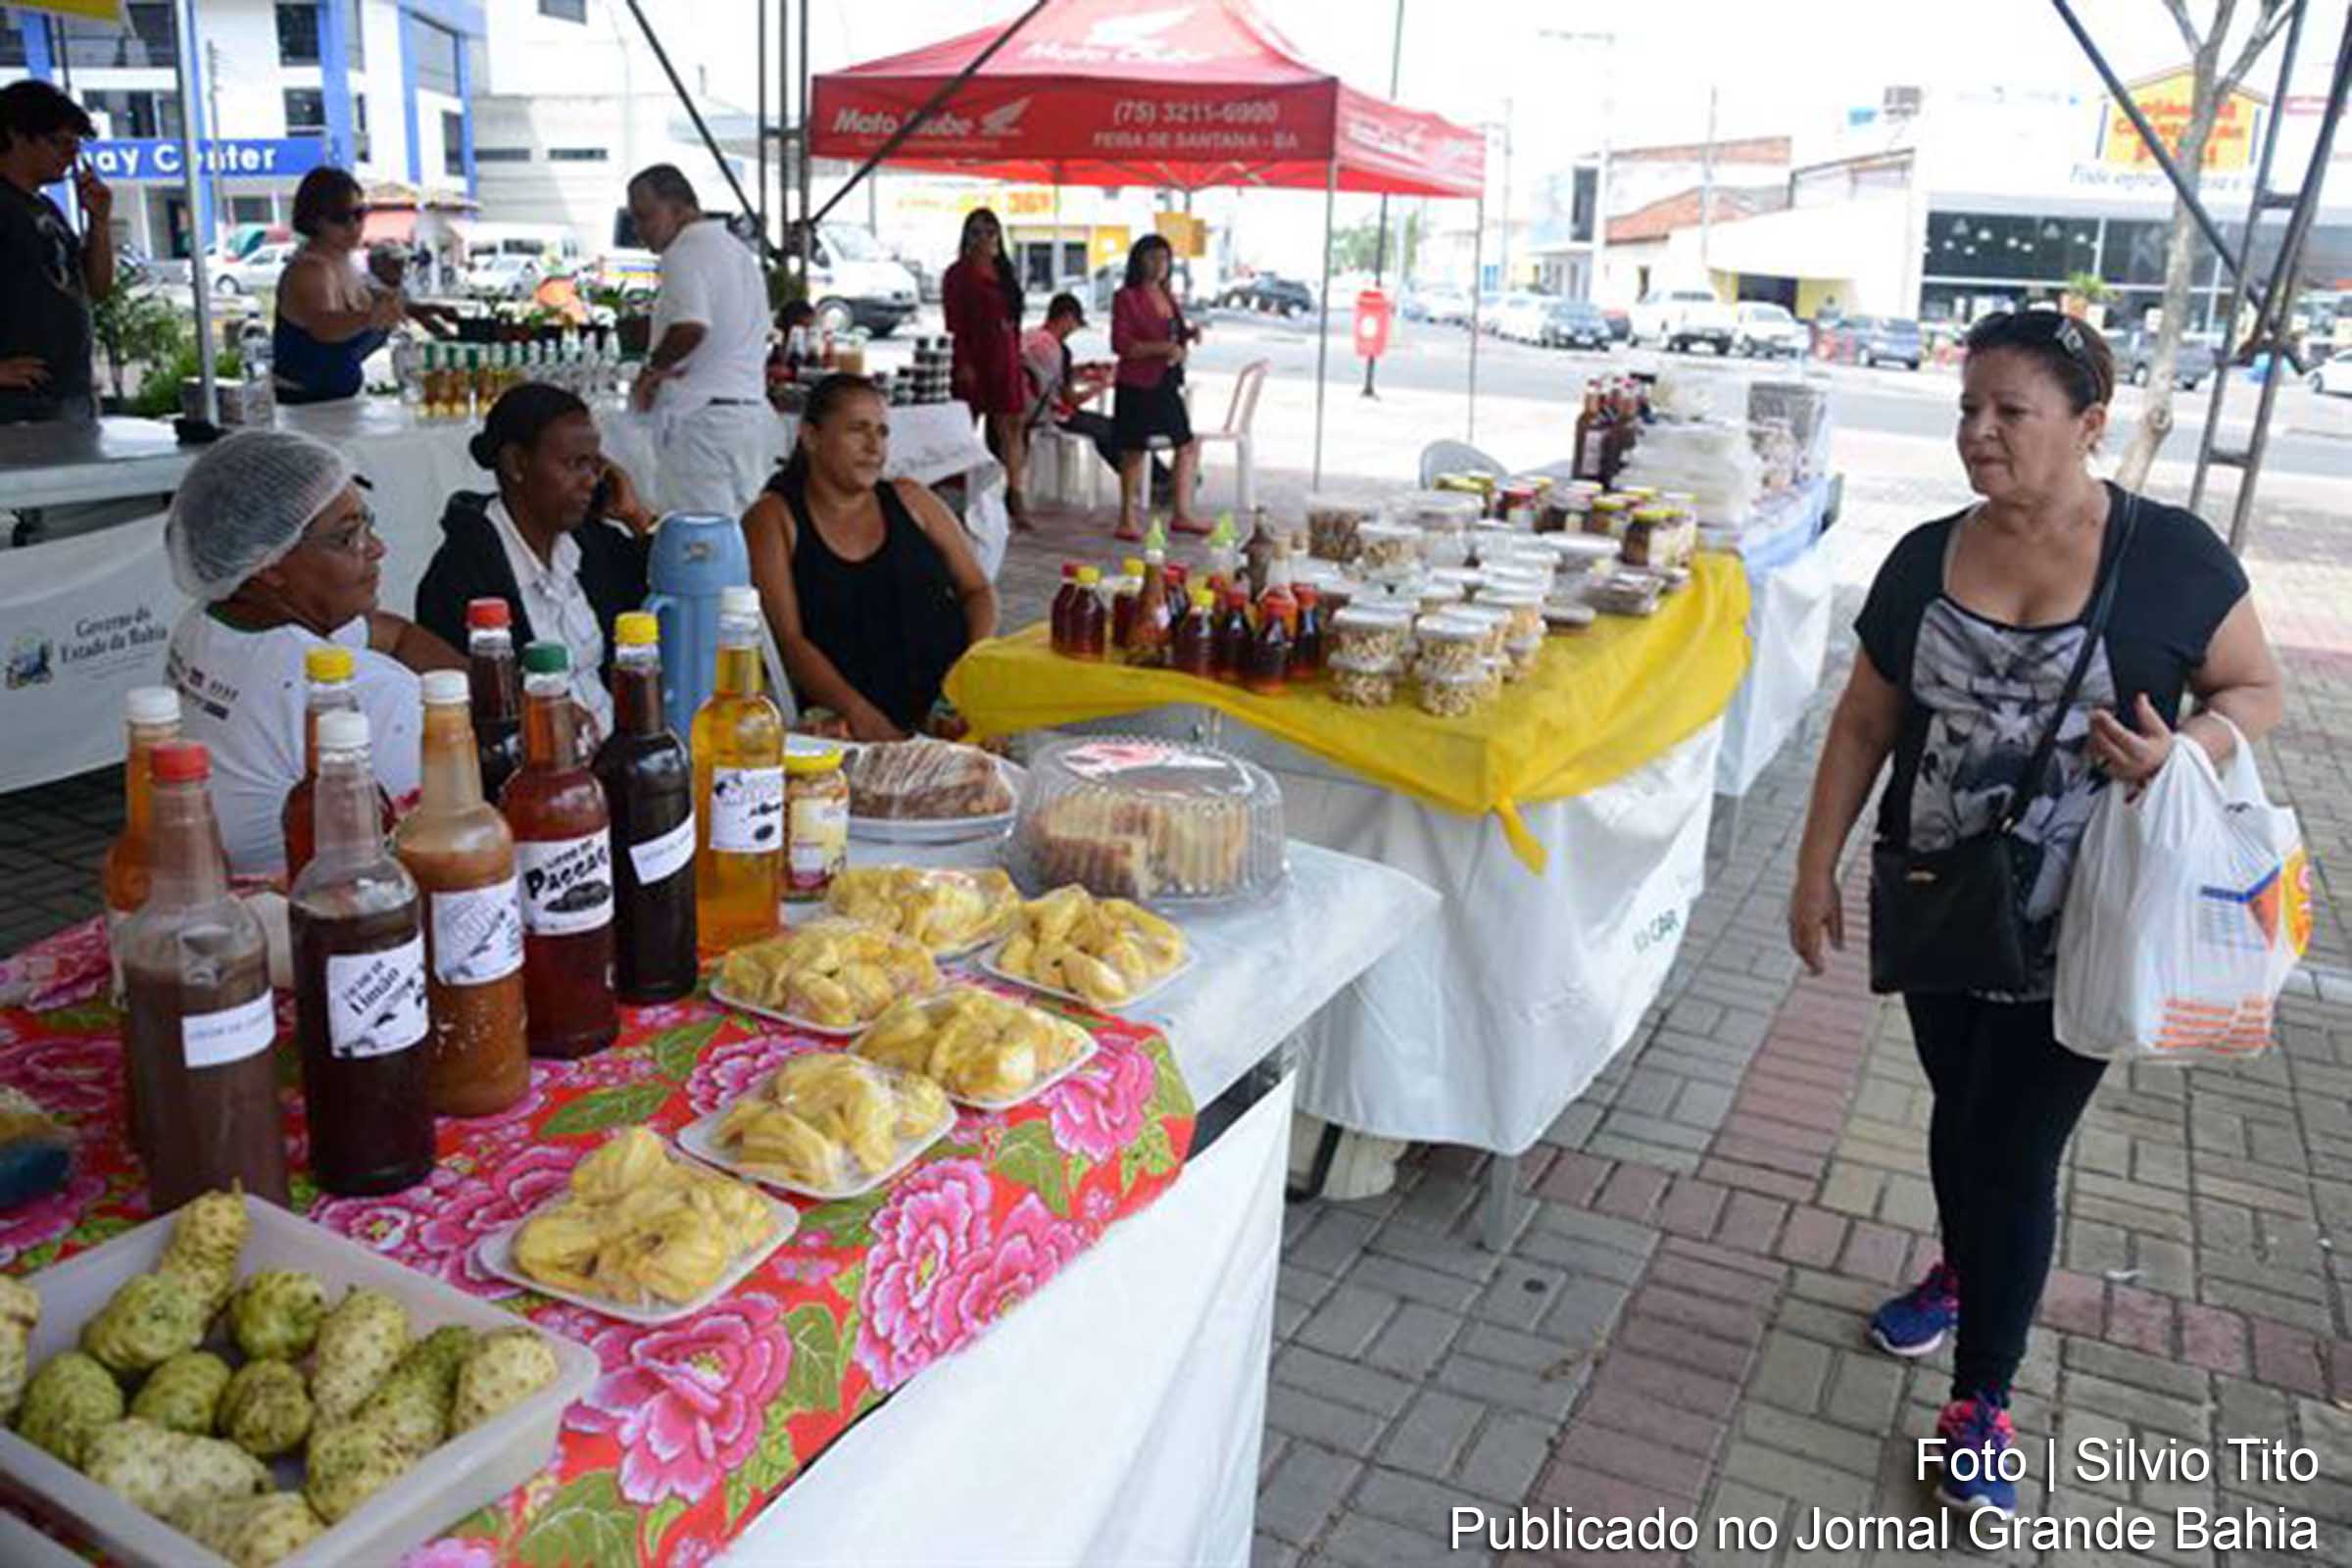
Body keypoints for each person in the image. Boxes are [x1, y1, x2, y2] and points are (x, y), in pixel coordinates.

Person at [1787, 311, 2282, 1517]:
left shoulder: (2171, 557)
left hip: (2091, 917)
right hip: (1940, 899)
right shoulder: (1921, 558)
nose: (1980, 433)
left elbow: (2256, 688)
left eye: (2012, 411)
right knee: (1962, 1119)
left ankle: (1983, 1400)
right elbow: (1864, 721)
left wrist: (2188, 747)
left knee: (2015, 1150)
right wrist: (1813, 867)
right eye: (1970, 409)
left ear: (2090, 425)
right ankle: (1965, 1267)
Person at [163, 429, 466, 877]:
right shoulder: (367, 697)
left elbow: (392, 634)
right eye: (348, 538)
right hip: (322, 915)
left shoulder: (210, 622)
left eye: (368, 522)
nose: (377, 548)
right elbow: (456, 855)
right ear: (269, 565)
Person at [742, 373, 996, 742]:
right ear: (810, 437)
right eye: (857, 430)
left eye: (882, 432)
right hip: (849, 715)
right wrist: (861, 715)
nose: (874, 446)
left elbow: (977, 590)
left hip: (949, 705)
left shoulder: (911, 500)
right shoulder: (772, 518)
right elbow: (790, 641)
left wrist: (970, 669)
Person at [415, 382, 659, 743]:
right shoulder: (461, 577)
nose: (591, 481)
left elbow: (670, 592)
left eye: (595, 465)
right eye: (575, 464)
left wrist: (637, 517)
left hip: (617, 752)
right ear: (516, 463)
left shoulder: (592, 545)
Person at [625, 164, 772, 516]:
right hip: (748, 415)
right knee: (742, 536)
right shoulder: (737, 252)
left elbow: (691, 325)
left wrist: (651, 370)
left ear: (679, 208)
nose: (639, 229)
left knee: (700, 545)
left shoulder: (684, 252)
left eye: (645, 216)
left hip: (703, 422)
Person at [273, 168, 449, 405]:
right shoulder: (310, 269)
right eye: (340, 217)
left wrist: (419, 310)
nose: (353, 225)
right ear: (314, 220)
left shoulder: (343, 260)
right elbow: (323, 327)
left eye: (359, 213)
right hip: (302, 403)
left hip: (334, 404)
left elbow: (373, 303)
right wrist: (371, 318)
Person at [0, 80, 112, 424]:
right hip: (17, 405)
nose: (71, 156)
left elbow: (97, 288)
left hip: (66, 391)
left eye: (76, 145)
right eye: (59, 143)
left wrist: (99, 221)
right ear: (17, 136)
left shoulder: (45, 208)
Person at [1021, 290, 1169, 499]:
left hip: (1025, 409)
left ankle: (1152, 481)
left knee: (1106, 431)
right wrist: (1100, 386)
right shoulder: (1059, 349)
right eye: (1074, 324)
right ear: (1066, 318)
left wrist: (1085, 370)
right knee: (1117, 430)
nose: (1073, 330)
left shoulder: (1032, 337)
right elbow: (1069, 399)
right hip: (1048, 415)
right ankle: (1159, 481)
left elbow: (1050, 377)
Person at [1110, 234, 1204, 541]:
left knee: (1185, 443)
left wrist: (1187, 335)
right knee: (1134, 449)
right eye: (1152, 258)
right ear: (1138, 261)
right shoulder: (1127, 297)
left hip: (1166, 381)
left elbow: (1172, 332)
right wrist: (1163, 347)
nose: (1158, 265)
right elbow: (1122, 345)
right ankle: (1126, 516)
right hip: (1137, 383)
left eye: (1164, 259)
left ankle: (1182, 512)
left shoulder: (1167, 295)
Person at [942, 209, 1031, 528]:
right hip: (973, 354)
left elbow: (1016, 318)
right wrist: (964, 361)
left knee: (1013, 425)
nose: (984, 238)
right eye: (977, 232)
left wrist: (1018, 357)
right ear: (966, 236)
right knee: (966, 426)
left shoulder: (1003, 270)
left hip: (1005, 352)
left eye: (991, 232)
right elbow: (955, 322)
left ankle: (1015, 493)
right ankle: (961, 495)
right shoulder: (958, 274)